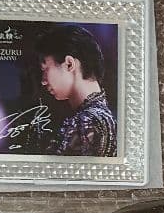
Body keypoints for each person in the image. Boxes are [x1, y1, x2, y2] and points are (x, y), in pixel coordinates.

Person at [36, 25, 117, 157]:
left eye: (45, 69)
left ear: (69, 64)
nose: (43, 81)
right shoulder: (104, 118)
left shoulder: (84, 123)